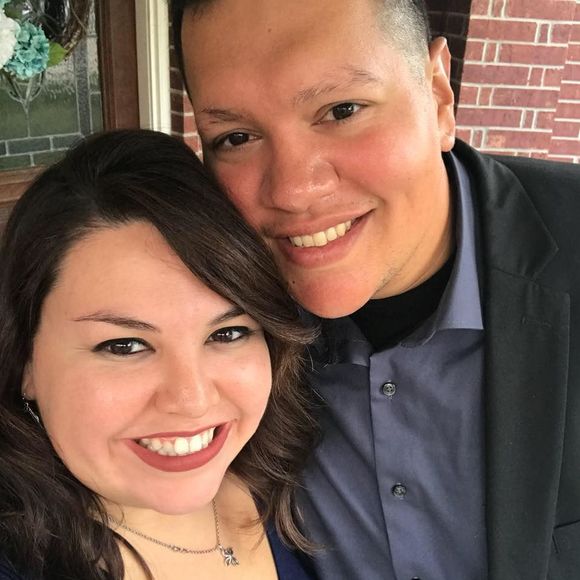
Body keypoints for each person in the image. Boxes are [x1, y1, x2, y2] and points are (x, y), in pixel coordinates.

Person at [170, 0, 580, 578]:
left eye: (341, 110)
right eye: (236, 137)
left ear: (438, 95)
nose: (292, 190)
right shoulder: (210, 312)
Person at [0, 129, 318, 580]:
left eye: (227, 333)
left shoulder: (296, 488)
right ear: (25, 362)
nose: (191, 400)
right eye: (124, 346)